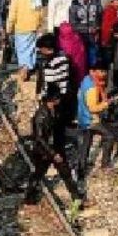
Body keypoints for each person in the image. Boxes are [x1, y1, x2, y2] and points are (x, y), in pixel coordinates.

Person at [25, 85, 85, 216]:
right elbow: (39, 138)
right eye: (57, 98)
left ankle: (77, 198)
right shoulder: (40, 116)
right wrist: (52, 153)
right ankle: (29, 197)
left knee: (66, 173)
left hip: (56, 147)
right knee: (38, 174)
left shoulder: (56, 110)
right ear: (52, 99)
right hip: (44, 152)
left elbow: (60, 125)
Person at [75, 64, 118, 180]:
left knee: (85, 145)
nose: (104, 74)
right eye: (101, 71)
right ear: (93, 71)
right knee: (110, 136)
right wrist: (107, 104)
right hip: (91, 120)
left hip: (82, 117)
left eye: (104, 71)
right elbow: (93, 108)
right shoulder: (92, 88)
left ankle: (80, 171)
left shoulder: (86, 80)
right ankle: (105, 165)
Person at [6, 0, 44, 84]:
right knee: (31, 49)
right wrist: (39, 25)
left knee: (22, 50)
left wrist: (9, 28)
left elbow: (12, 15)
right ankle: (29, 68)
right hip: (33, 27)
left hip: (21, 28)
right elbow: (40, 13)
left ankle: (24, 70)